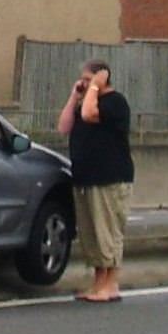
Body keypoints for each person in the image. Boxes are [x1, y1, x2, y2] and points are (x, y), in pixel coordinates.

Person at [57, 59, 134, 303]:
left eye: (88, 79)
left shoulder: (115, 102)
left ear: (102, 78)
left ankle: (110, 285)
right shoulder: (85, 102)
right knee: (91, 235)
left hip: (108, 177)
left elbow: (90, 115)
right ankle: (98, 283)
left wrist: (94, 88)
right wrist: (74, 96)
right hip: (86, 177)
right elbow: (64, 126)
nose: (84, 83)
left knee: (107, 233)